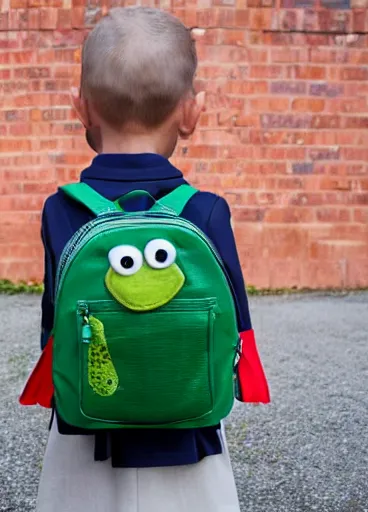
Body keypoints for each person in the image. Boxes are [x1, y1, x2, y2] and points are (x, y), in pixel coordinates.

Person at [22, 7, 270, 512]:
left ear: (81, 108)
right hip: (190, 427)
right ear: (191, 112)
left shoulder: (60, 209)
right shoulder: (207, 211)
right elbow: (237, 324)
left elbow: (54, 326)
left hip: (85, 430)